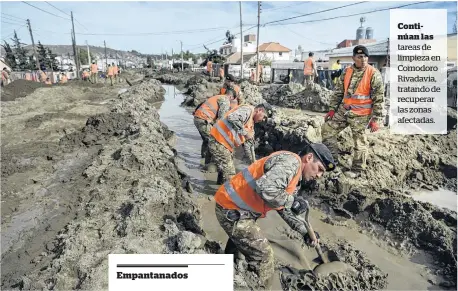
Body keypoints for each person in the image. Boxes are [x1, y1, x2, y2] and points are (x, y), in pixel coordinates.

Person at [214, 143, 336, 290]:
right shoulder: (290, 163)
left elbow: (284, 208)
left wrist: (304, 232)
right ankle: (261, 287)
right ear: (309, 158)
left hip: (236, 207)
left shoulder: (295, 176)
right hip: (231, 209)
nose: (319, 176)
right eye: (320, 169)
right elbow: (265, 188)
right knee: (264, 256)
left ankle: (229, 271)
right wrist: (293, 201)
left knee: (239, 248)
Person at [321, 45, 384, 178]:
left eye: (366, 56)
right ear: (353, 58)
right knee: (327, 129)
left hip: (361, 114)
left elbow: (379, 98)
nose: (364, 59)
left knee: (359, 142)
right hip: (344, 111)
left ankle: (357, 170)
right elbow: (338, 91)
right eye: (360, 57)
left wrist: (376, 119)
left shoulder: (373, 74)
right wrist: (332, 109)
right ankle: (333, 162)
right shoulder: (347, 71)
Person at [208, 102, 273, 184]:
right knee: (230, 173)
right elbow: (232, 117)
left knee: (223, 171)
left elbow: (249, 145)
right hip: (218, 140)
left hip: (225, 145)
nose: (263, 120)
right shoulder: (247, 110)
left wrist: (254, 162)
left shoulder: (251, 123)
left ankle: (218, 190)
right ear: (259, 110)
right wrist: (245, 133)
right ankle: (226, 195)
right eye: (264, 117)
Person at [193, 87, 240, 170]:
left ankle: (203, 160)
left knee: (206, 140)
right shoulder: (225, 100)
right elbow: (222, 119)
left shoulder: (218, 97)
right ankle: (209, 166)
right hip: (204, 120)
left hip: (198, 118)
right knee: (213, 141)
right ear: (231, 97)